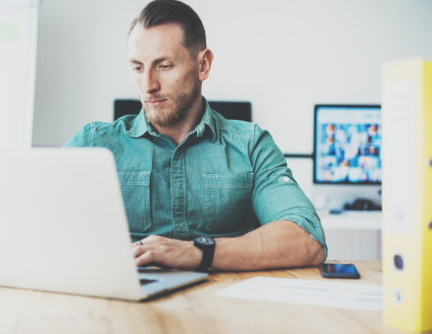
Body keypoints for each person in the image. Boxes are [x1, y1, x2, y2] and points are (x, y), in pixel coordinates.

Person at [65, 0, 326, 272]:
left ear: (203, 65)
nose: (148, 86)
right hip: (124, 304)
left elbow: (307, 238)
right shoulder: (94, 144)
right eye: (137, 67)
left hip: (227, 305)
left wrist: (198, 252)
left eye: (164, 66)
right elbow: (29, 221)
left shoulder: (251, 145)